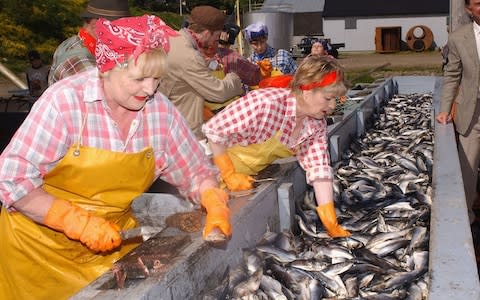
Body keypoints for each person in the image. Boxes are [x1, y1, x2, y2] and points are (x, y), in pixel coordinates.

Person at [0, 15, 231, 299]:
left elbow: (195, 171)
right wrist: (74, 220)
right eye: (139, 78)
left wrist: (212, 198)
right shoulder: (65, 103)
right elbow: (12, 178)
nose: (149, 90)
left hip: (111, 249)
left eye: (157, 79)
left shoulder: (160, 112)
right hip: (35, 254)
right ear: (106, 69)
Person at [203, 55, 350, 238]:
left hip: (246, 180)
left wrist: (330, 219)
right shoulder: (265, 103)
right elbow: (214, 131)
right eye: (328, 98)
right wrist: (228, 173)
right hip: (209, 172)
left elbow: (319, 169)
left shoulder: (314, 125)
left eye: (336, 99)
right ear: (306, 90)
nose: (333, 105)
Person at [158, 5, 244, 138]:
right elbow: (218, 92)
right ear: (206, 33)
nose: (218, 38)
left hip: (168, 120)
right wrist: (235, 79)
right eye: (217, 34)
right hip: (182, 131)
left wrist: (204, 65)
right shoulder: (189, 56)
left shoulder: (175, 38)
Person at [436, 0, 480, 232]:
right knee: (468, 169)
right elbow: (452, 75)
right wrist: (444, 109)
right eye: (478, 3)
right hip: (472, 113)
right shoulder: (458, 38)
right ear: (468, 9)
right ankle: (466, 220)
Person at [48, 0, 131, 85]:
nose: (123, 33)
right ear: (96, 24)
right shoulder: (80, 60)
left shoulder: (71, 43)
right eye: (118, 28)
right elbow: (109, 92)